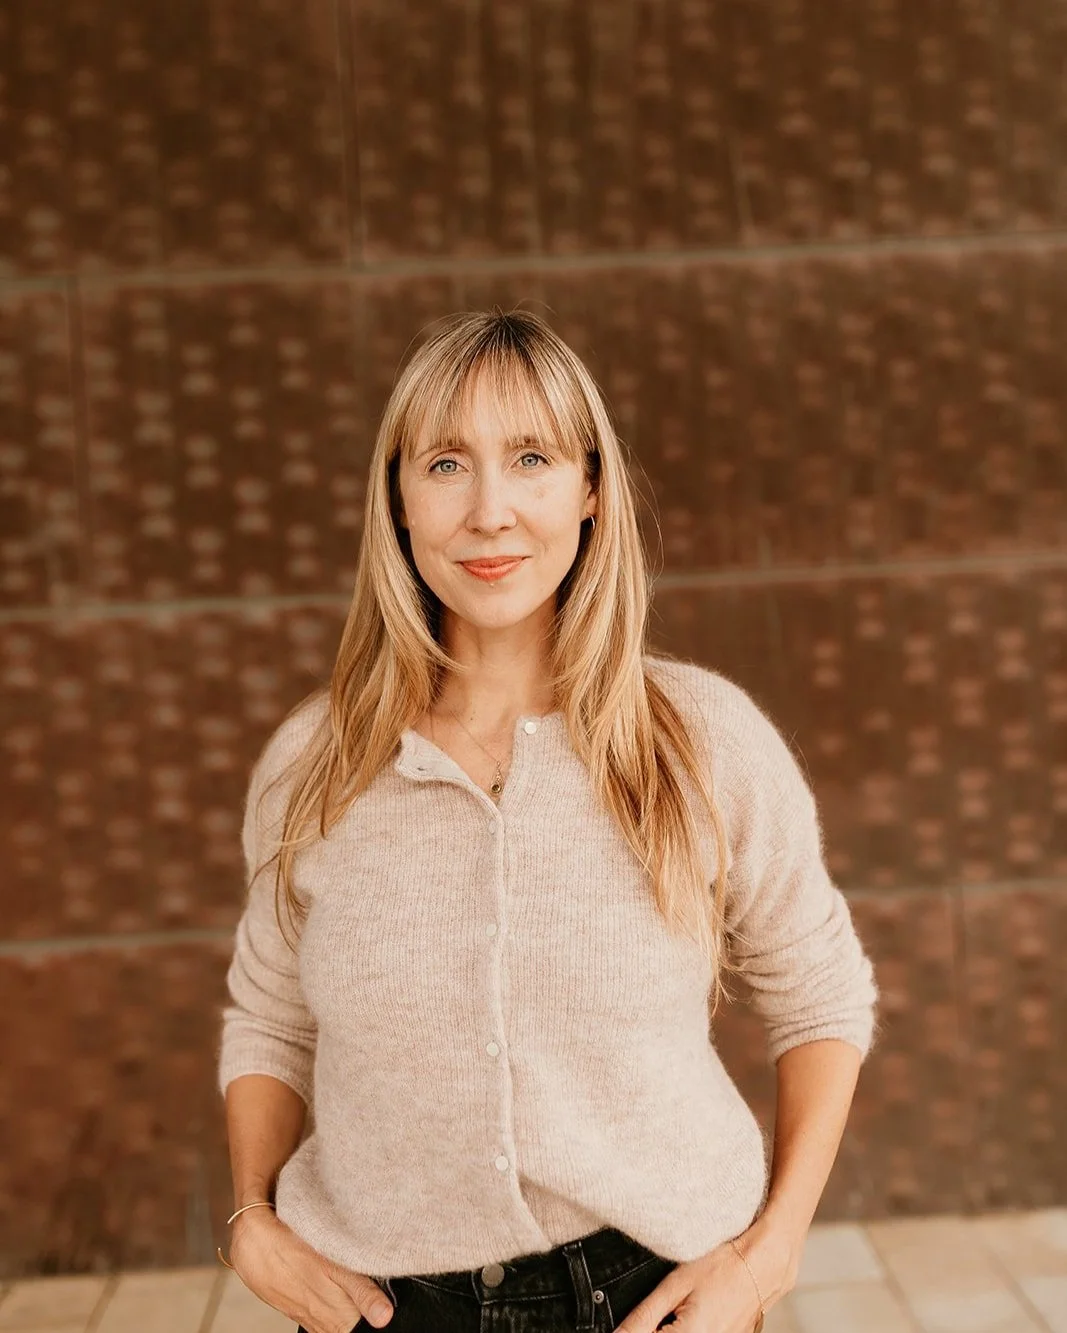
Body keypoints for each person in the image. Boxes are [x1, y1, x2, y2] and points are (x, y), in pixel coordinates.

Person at [215, 308, 880, 1333]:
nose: (490, 512)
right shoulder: (315, 764)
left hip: (655, 1298)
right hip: (381, 1307)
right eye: (446, 464)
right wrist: (249, 1218)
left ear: (589, 489)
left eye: (530, 458)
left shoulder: (701, 740)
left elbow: (820, 993)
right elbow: (269, 1014)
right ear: (398, 499)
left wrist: (769, 1254)